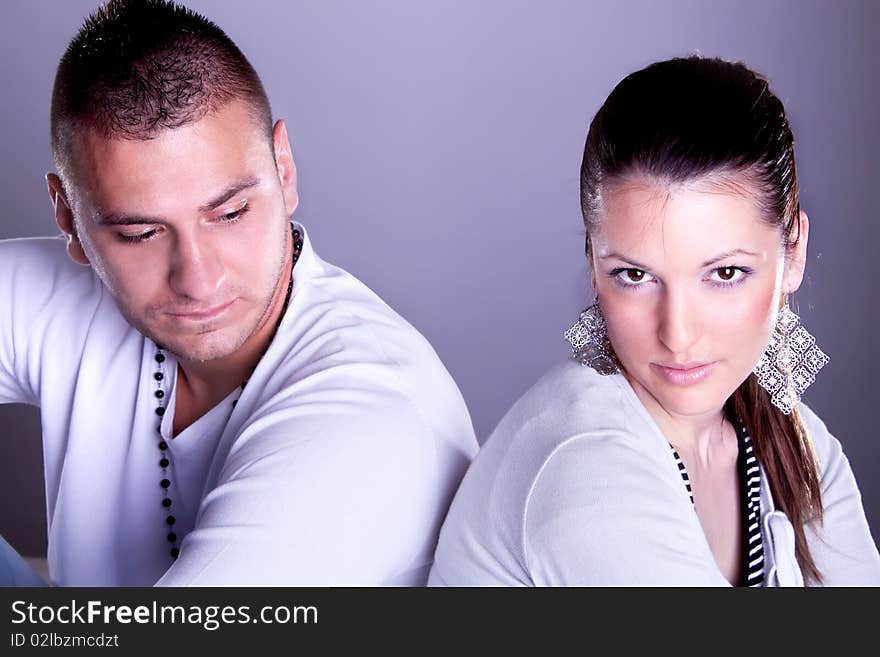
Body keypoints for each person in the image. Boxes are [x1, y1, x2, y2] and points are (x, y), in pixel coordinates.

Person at [0, 0, 478, 586]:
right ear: (69, 217)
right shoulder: (73, 304)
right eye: (140, 234)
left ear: (284, 168)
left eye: (229, 213)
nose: (198, 280)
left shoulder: (368, 415)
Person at [428, 56, 880, 586]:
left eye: (725, 272)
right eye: (636, 275)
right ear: (593, 265)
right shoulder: (585, 465)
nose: (678, 334)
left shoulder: (794, 447)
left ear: (794, 255)